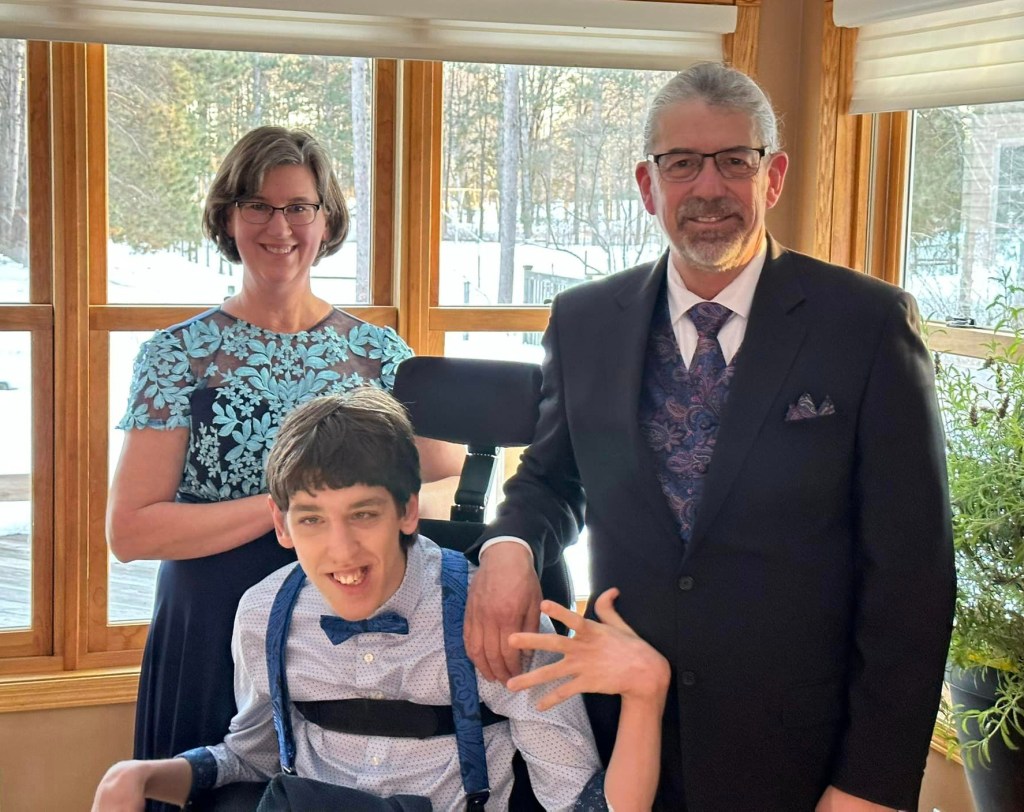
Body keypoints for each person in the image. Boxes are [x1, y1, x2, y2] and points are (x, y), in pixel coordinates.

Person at [464, 62, 956, 811]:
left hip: (800, 749)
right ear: (647, 183)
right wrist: (505, 550)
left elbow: (912, 580)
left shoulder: (866, 325)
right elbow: (552, 479)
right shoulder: (584, 320)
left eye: (735, 160)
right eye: (683, 163)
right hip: (627, 735)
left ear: (774, 175)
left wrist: (871, 783)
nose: (709, 188)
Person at [92, 388, 671, 811]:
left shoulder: (493, 621)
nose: (341, 550)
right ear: (282, 524)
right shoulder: (265, 613)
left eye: (363, 515)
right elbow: (253, 757)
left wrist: (645, 696)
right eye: (313, 520)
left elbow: (583, 805)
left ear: (408, 510)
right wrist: (139, 775)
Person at [105, 126, 463, 798]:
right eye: (258, 206)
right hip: (213, 615)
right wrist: (290, 514)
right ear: (227, 217)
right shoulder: (176, 356)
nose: (281, 226)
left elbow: (444, 476)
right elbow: (131, 531)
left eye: (299, 206)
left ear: (326, 219)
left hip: (348, 616)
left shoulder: (379, 355)